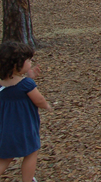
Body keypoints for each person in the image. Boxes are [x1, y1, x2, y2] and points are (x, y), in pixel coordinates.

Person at [0, 41, 51, 182]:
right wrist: (47, 106)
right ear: (17, 64)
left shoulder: (2, 84)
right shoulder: (26, 85)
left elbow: (14, 90)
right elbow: (38, 99)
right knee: (31, 153)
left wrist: (28, 76)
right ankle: (28, 180)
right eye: (28, 60)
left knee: (5, 157)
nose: (30, 62)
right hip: (24, 128)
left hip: (5, 129)